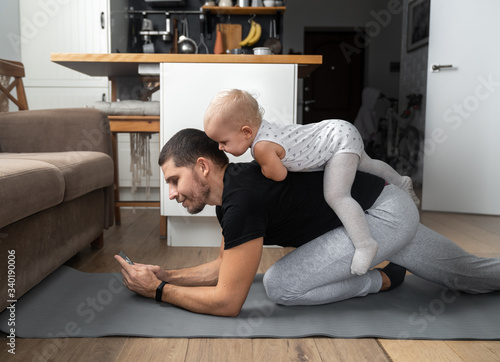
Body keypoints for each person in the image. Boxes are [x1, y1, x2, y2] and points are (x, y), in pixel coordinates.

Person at [115, 128, 500, 317]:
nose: (171, 193)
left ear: (201, 167)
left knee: (281, 284)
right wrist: (167, 275)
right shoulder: (233, 196)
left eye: (173, 180)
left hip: (381, 215)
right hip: (375, 214)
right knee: (470, 275)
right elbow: (226, 268)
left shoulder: (242, 199)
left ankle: (382, 278)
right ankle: (391, 268)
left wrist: (157, 293)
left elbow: (229, 300)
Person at [203, 89, 419, 275]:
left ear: (246, 131)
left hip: (336, 142)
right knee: (368, 165)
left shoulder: (261, 147)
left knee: (336, 195)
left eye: (224, 142)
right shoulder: (264, 130)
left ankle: (365, 244)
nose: (221, 148)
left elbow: (278, 175)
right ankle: (401, 181)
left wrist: (263, 166)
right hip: (338, 130)